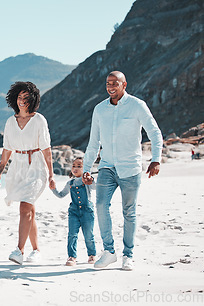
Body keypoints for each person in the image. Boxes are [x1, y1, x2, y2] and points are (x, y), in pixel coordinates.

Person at [82, 71, 163, 271]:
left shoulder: (137, 106)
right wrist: (86, 168)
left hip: (130, 168)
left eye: (114, 83)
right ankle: (109, 252)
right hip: (107, 166)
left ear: (124, 84)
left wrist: (156, 159)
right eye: (107, 83)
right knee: (100, 205)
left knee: (129, 212)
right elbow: (94, 143)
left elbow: (154, 132)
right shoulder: (100, 109)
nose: (110, 87)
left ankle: (128, 255)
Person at [0, 81, 55, 265]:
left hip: (36, 166)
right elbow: (6, 150)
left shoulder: (39, 120)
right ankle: (36, 250)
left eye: (26, 98)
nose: (22, 101)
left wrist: (51, 175)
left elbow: (47, 149)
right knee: (30, 210)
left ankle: (19, 250)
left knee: (25, 207)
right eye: (19, 97)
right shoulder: (11, 122)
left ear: (33, 99)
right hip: (17, 167)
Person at [51, 157, 96, 266]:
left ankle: (92, 255)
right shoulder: (69, 183)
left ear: (85, 168)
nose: (75, 168)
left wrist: (91, 179)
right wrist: (53, 189)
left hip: (87, 211)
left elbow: (95, 187)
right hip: (74, 212)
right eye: (74, 166)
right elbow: (61, 195)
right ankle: (72, 256)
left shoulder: (87, 181)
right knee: (72, 234)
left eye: (79, 166)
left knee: (88, 235)